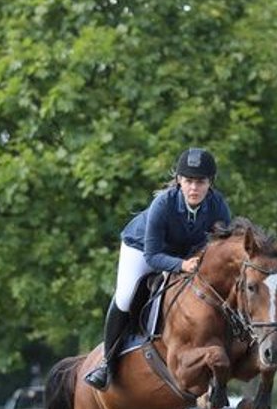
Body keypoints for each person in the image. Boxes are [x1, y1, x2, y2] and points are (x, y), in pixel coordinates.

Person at [84, 147, 232, 390]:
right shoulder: (162, 204)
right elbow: (153, 256)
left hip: (186, 252)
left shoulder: (218, 206)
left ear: (210, 183)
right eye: (188, 181)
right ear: (179, 181)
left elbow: (222, 246)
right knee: (125, 296)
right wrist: (181, 265)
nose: (194, 188)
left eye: (200, 182)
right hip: (141, 248)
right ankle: (107, 364)